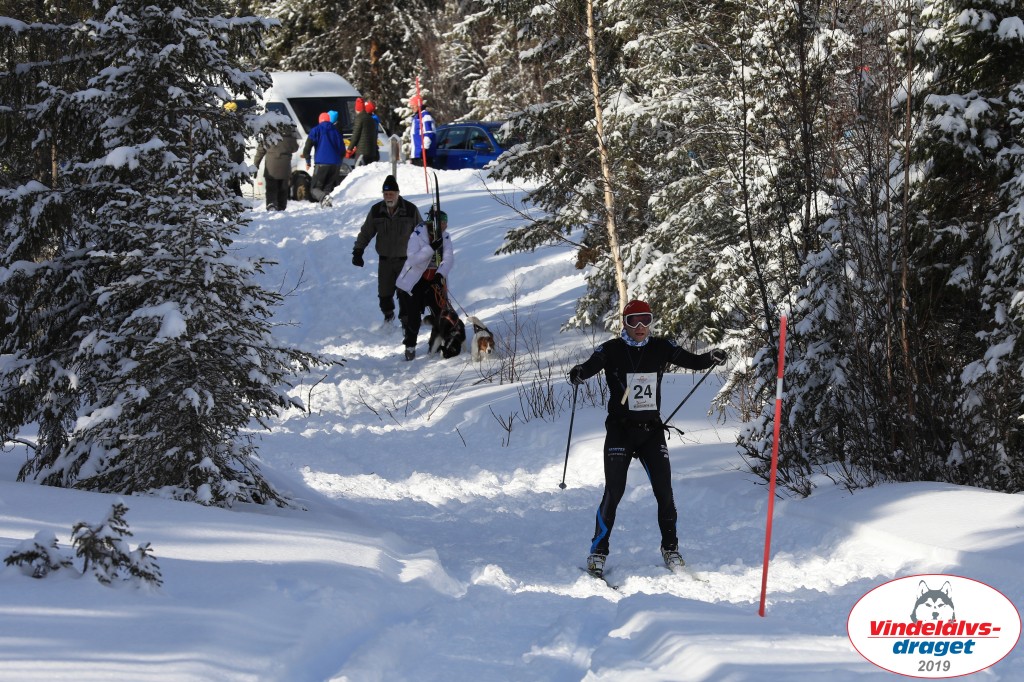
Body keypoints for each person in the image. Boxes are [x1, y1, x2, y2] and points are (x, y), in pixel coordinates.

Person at [567, 300, 728, 579]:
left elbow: (693, 361)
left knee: (664, 492)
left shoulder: (661, 347)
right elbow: (591, 365)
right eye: (634, 321)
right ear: (625, 323)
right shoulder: (612, 349)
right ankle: (598, 552)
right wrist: (579, 373)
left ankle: (670, 548)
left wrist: (711, 356)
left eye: (646, 320)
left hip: (651, 432)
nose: (641, 327)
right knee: (613, 491)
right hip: (620, 431)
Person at [352, 174, 423, 324]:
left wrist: (425, 253)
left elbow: (421, 233)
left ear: (397, 193)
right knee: (384, 294)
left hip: (405, 261)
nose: (388, 197)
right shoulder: (376, 210)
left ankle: (406, 322)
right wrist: (358, 251)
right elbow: (366, 232)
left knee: (405, 293)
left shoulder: (410, 210)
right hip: (385, 261)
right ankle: (388, 316)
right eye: (385, 194)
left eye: (391, 193)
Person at [395, 208, 454, 361]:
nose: (444, 226)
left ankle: (434, 343)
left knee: (440, 312)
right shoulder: (417, 235)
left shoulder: (446, 237)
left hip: (434, 280)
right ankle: (410, 346)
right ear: (432, 223)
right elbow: (413, 259)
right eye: (441, 223)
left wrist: (440, 273)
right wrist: (431, 248)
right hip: (414, 281)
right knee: (413, 316)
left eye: (445, 223)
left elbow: (448, 258)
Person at [252, 124, 299, 211]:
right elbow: (295, 148)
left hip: (271, 168)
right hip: (285, 169)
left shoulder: (269, 137)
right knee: (283, 190)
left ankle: (271, 204)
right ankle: (281, 207)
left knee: (271, 189)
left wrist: (255, 166)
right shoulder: (290, 136)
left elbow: (260, 152)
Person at [302, 112, 345, 207]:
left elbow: (307, 148)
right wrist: (338, 161)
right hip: (335, 164)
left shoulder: (316, 130)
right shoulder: (336, 131)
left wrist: (308, 161)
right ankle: (326, 205)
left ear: (320, 120)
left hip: (322, 163)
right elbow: (342, 150)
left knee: (314, 189)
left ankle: (324, 198)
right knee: (327, 188)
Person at [350, 97, 379, 165]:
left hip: (363, 151)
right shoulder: (373, 119)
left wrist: (350, 149)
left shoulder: (366, 119)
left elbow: (357, 135)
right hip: (372, 150)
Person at [409, 95, 436, 167]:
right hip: (416, 154)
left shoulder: (425, 116)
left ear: (418, 105)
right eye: (411, 106)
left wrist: (424, 149)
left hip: (423, 154)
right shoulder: (416, 117)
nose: (412, 108)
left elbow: (429, 134)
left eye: (413, 106)